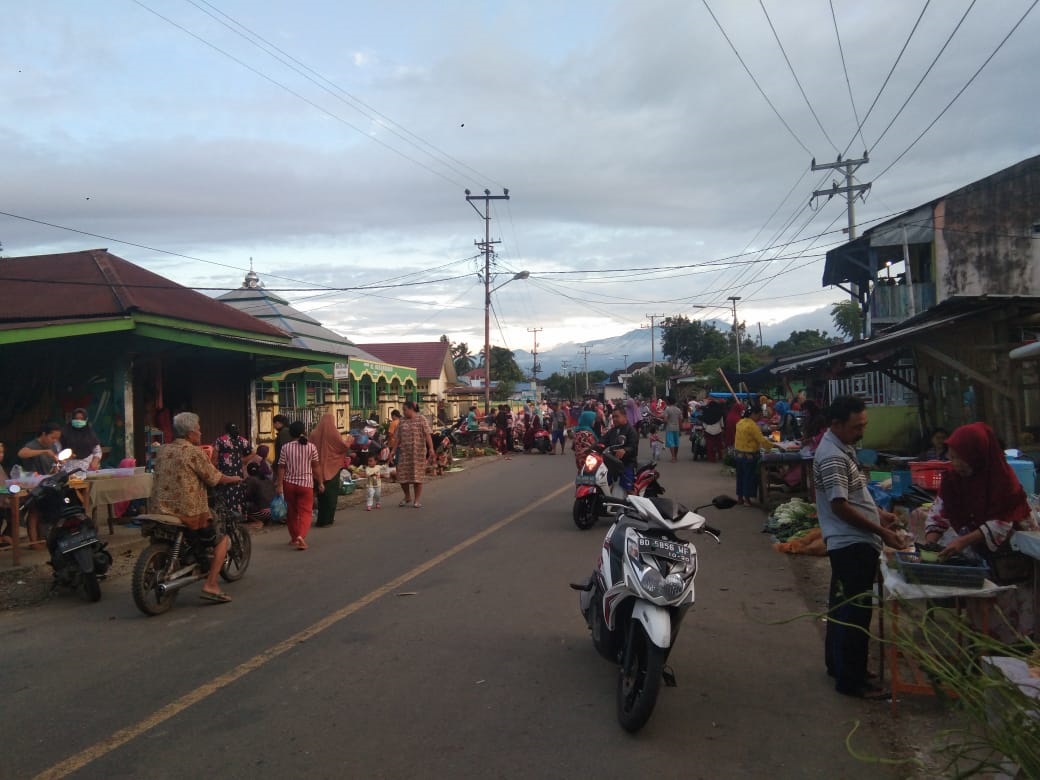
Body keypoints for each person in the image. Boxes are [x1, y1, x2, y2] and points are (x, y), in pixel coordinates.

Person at [813, 396, 903, 700]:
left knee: (841, 608)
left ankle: (839, 667)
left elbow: (853, 497)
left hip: (849, 541)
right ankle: (852, 681)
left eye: (863, 425)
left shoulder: (840, 447)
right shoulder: (833, 457)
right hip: (851, 543)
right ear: (836, 424)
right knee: (856, 614)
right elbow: (840, 506)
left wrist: (879, 513)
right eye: (856, 426)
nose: (861, 431)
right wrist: (881, 531)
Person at [923, 422, 1038, 641]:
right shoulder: (954, 480)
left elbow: (1002, 523)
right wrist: (930, 542)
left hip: (1013, 557)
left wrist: (963, 541)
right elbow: (939, 511)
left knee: (1015, 610)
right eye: (952, 457)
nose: (955, 463)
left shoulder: (1003, 481)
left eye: (959, 458)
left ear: (976, 455)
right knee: (984, 612)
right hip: (983, 553)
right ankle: (985, 650)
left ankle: (1018, 653)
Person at [150, 411, 242, 603]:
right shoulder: (193, 452)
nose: (200, 433)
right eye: (199, 429)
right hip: (188, 511)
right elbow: (215, 478)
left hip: (160, 508)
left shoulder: (163, 450)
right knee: (221, 540)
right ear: (191, 432)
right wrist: (235, 479)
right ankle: (211, 584)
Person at [275, 421, 322, 551]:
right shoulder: (311, 447)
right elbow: (316, 466)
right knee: (306, 512)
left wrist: (279, 485)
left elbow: (281, 467)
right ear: (304, 431)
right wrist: (321, 482)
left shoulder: (286, 447)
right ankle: (301, 536)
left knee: (292, 512)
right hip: (306, 485)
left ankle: (294, 537)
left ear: (290, 433)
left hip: (289, 484)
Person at [309, 413, 352, 527]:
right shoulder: (334, 433)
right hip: (333, 468)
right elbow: (343, 446)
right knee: (331, 495)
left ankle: (321, 520)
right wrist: (349, 441)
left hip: (317, 469)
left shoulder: (313, 433)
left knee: (321, 495)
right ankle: (329, 519)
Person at [732, 407, 778, 506]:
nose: (760, 417)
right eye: (759, 415)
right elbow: (761, 440)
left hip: (738, 454)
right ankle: (747, 499)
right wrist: (773, 445)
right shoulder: (752, 426)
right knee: (749, 477)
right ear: (753, 414)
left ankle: (740, 498)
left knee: (740, 476)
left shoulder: (740, 422)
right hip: (749, 456)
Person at [395, 401, 435, 508]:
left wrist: (431, 448)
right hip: (404, 452)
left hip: (418, 452)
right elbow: (398, 438)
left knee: (417, 477)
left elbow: (427, 434)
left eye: (405, 410)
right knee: (402, 476)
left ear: (411, 409)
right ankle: (407, 496)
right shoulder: (402, 421)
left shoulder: (421, 419)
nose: (403, 412)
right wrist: (393, 451)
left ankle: (416, 500)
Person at [212, 422, 252, 515]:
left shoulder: (220, 440)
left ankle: (226, 515)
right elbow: (253, 452)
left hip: (224, 472)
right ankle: (238, 515)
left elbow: (214, 458)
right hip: (237, 471)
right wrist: (242, 460)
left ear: (226, 430)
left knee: (225, 493)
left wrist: (214, 468)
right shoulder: (242, 440)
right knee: (238, 492)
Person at [602, 405, 639, 493]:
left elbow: (633, 447)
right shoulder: (612, 431)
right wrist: (590, 447)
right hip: (612, 463)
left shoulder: (631, 431)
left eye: (617, 416)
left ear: (625, 417)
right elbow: (602, 441)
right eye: (613, 416)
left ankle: (632, 503)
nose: (614, 419)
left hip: (626, 463)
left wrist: (625, 450)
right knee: (602, 483)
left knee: (628, 490)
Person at [61, 408, 102, 472]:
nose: (78, 421)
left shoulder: (90, 434)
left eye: (81, 419)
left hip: (87, 468)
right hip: (67, 468)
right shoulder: (65, 433)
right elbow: (57, 451)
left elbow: (97, 451)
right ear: (72, 419)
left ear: (86, 420)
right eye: (76, 419)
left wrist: (95, 462)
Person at [243, 461, 275, 528]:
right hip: (273, 511)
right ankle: (267, 520)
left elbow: (246, 496)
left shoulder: (250, 480)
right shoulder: (267, 478)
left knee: (243, 505)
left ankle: (258, 522)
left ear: (248, 472)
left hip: (261, 512)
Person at [700, 397, 726, 463]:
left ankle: (711, 458)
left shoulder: (706, 412)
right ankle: (720, 456)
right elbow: (721, 423)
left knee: (710, 445)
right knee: (718, 444)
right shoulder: (719, 412)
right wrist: (722, 428)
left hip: (708, 430)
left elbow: (704, 423)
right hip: (718, 430)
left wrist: (705, 428)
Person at [662, 396, 682, 463]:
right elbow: (680, 420)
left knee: (671, 443)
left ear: (668, 402)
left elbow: (665, 419)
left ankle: (673, 457)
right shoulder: (678, 410)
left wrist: (665, 422)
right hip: (677, 428)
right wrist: (680, 429)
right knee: (676, 443)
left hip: (669, 428)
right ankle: (675, 456)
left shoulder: (667, 409)